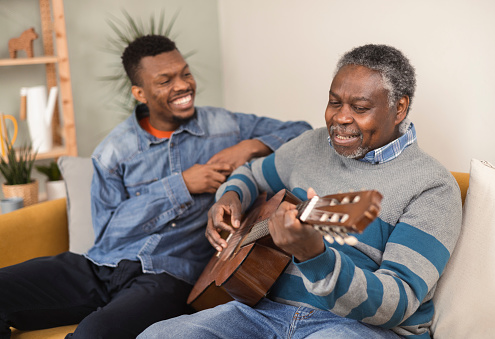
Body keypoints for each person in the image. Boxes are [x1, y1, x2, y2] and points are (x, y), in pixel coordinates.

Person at [138, 44, 462, 339]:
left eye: (360, 108)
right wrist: (230, 196)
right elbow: (251, 174)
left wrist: (316, 257)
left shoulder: (431, 186)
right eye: (334, 102)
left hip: (358, 328)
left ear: (400, 108)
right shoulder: (311, 145)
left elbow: (397, 302)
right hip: (265, 313)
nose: (340, 118)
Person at [0, 35, 311, 339]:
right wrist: (181, 184)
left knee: (95, 332)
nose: (183, 86)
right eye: (165, 81)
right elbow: (110, 231)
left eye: (185, 73)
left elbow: (301, 131)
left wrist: (249, 146)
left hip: (168, 276)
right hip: (100, 265)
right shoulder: (113, 151)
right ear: (140, 92)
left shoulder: (225, 126)